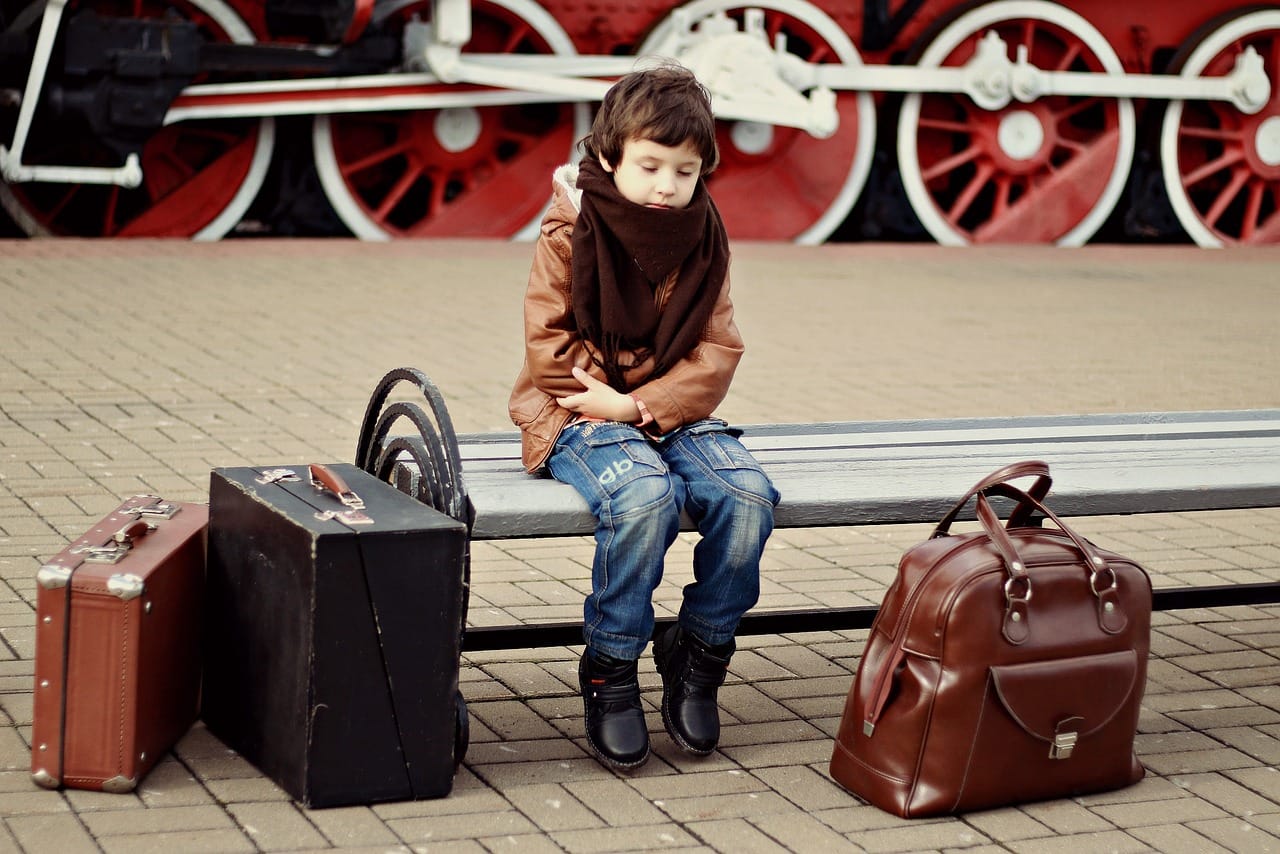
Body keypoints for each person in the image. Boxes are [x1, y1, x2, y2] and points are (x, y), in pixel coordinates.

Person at [508, 63, 779, 770]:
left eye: (684, 171)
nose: (667, 186)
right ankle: (611, 667)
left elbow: (718, 347)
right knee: (642, 496)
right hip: (575, 410)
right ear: (607, 157)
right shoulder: (570, 228)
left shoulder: (703, 238)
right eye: (650, 165)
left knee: (746, 498)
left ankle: (700, 653)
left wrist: (640, 406)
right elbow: (549, 345)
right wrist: (610, 406)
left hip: (657, 407)